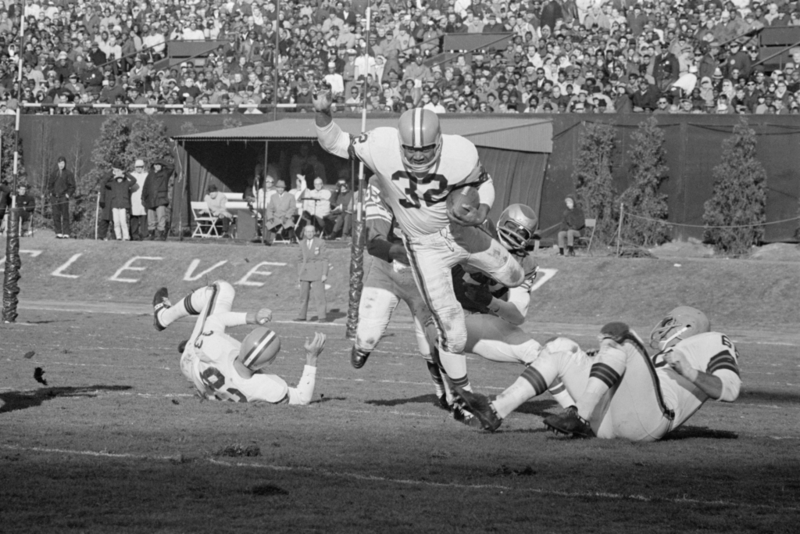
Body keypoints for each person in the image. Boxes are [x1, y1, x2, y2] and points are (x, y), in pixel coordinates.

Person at [314, 93, 530, 422]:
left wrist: (481, 209)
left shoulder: (460, 153)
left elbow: (483, 184)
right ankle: (462, 396)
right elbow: (334, 143)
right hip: (412, 255)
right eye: (410, 149)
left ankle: (453, 392)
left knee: (513, 276)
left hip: (456, 233)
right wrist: (323, 113)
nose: (417, 156)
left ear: (439, 143)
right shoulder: (380, 152)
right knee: (444, 334)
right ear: (399, 145)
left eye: (425, 150)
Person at [471, 307, 741, 438]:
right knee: (560, 348)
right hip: (613, 418)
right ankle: (494, 411)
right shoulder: (658, 358)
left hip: (652, 419)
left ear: (686, 326)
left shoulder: (711, 341)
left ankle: (580, 416)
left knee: (619, 334)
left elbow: (730, 389)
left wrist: (690, 372)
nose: (663, 327)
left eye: (670, 323)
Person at [152, 281, 325, 405]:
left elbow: (217, 319)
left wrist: (252, 318)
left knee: (221, 290)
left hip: (193, 361)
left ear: (243, 344)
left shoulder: (217, 347)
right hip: (209, 387)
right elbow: (303, 397)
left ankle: (163, 317)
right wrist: (311, 357)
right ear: (267, 363)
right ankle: (191, 343)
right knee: (207, 341)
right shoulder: (264, 386)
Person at [296, 225, 329, 323]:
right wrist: (299, 274)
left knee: (319, 296)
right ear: (304, 233)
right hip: (305, 272)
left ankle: (322, 317)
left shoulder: (320, 242)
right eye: (307, 231)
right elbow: (299, 259)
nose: (309, 233)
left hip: (317, 272)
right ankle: (302, 316)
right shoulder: (301, 243)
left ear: (314, 232)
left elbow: (325, 259)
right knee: (303, 296)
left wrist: (324, 273)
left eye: (311, 231)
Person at [142, 158, 173, 240]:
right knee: (150, 219)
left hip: (161, 199)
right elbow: (145, 187)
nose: (157, 166)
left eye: (159, 165)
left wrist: (161, 161)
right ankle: (151, 235)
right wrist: (143, 198)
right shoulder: (150, 175)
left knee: (161, 217)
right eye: (155, 165)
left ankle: (161, 235)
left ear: (162, 166)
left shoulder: (165, 173)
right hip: (150, 199)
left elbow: (171, 167)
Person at [104, 167, 138, 241]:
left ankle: (126, 237)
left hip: (123, 206)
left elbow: (134, 180)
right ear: (116, 178)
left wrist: (126, 173)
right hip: (114, 205)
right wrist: (111, 173)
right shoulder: (112, 184)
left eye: (121, 177)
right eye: (118, 177)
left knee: (123, 222)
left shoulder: (126, 183)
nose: (119, 179)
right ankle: (118, 237)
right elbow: (104, 182)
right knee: (116, 222)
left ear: (123, 177)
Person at [48, 156, 76, 238]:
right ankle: (58, 232)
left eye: (63, 163)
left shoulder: (69, 174)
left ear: (65, 164)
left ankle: (66, 233)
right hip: (55, 197)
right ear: (57, 163)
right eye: (60, 163)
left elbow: (72, 186)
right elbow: (49, 185)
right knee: (56, 215)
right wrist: (50, 193)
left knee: (65, 215)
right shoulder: (54, 173)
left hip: (64, 197)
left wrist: (68, 194)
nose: (61, 165)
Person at [128, 159, 148, 240]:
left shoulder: (146, 175)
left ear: (143, 167)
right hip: (133, 199)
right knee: (134, 218)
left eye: (140, 167)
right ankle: (134, 235)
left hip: (143, 200)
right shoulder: (131, 175)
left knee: (144, 218)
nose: (139, 168)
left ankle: (145, 235)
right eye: (137, 167)